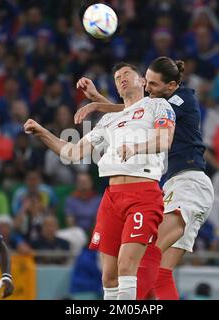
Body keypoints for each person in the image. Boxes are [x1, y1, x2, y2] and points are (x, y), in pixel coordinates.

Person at [24, 62, 176, 300]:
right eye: (117, 77)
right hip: (112, 198)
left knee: (127, 267)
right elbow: (72, 153)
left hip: (143, 194)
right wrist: (42, 132)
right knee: (108, 276)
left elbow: (165, 140)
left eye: (127, 74)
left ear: (143, 82)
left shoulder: (157, 105)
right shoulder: (108, 121)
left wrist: (136, 148)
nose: (121, 78)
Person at [74, 57, 214, 300]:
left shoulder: (181, 99)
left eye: (153, 85)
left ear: (171, 86)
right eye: (146, 82)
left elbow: (133, 108)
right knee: (160, 272)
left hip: (190, 184)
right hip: (175, 185)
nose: (148, 89)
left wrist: (98, 103)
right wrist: (98, 100)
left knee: (147, 251)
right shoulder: (158, 102)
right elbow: (130, 112)